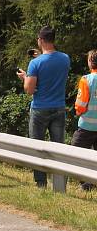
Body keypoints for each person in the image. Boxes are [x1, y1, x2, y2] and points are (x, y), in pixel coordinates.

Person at [17, 26, 70, 188]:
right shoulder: (65, 58)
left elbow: (29, 89)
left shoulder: (35, 63)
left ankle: (41, 183)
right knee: (58, 147)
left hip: (40, 108)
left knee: (37, 147)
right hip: (59, 107)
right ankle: (60, 182)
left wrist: (25, 77)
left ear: (40, 40)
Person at [73, 49, 97, 191]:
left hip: (87, 126)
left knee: (76, 153)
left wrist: (78, 111)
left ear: (90, 62)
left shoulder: (86, 79)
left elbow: (80, 105)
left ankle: (86, 184)